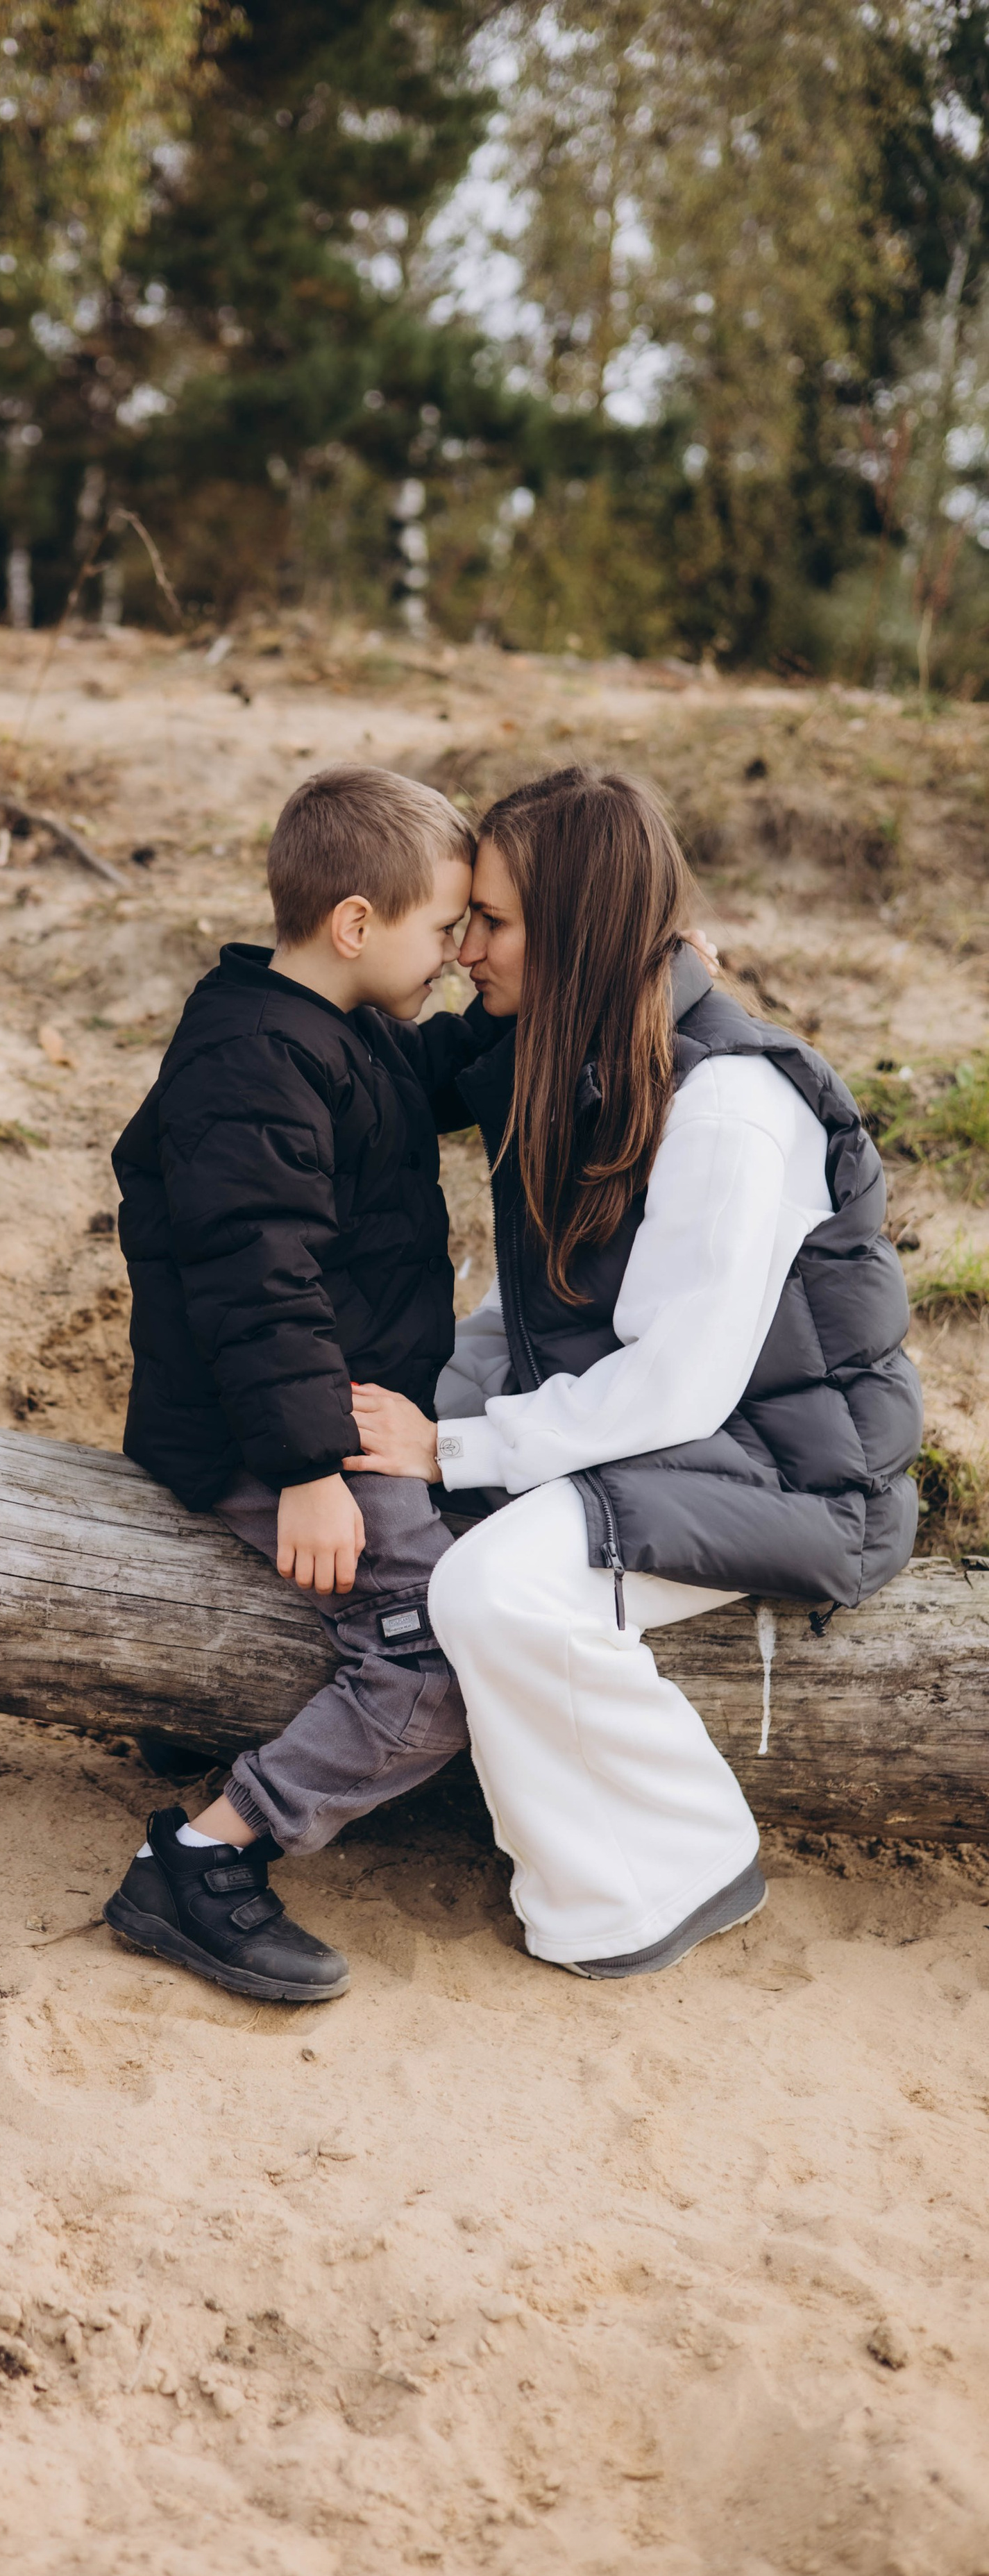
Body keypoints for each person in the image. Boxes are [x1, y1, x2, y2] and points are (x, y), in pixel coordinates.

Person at [347, 767, 923, 1980]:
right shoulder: (580, 1060)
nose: (467, 954)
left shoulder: (730, 1107)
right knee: (408, 1522)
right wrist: (428, 1424)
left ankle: (677, 1867)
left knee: (497, 1589)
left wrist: (460, 1452)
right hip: (685, 1434)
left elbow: (677, 1384)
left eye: (492, 923)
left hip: (803, 1473)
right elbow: (533, 1311)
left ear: (582, 933)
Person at [102, 762, 505, 2005]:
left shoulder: (341, 1029)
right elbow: (251, 1277)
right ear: (357, 925)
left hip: (341, 1407)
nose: (458, 952)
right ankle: (206, 1853)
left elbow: (436, 1072)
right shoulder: (249, 1068)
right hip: (261, 1433)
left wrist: (585, 981)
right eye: (448, 929)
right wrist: (306, 1467)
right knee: (444, 1644)